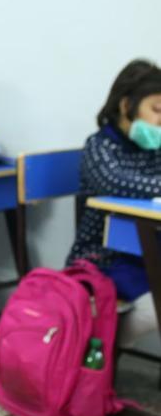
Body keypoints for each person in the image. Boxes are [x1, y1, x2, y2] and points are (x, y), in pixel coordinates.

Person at [67, 59, 161, 349]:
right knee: (156, 308)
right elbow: (119, 183)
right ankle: (92, 344)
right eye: (157, 110)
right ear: (126, 105)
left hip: (149, 253)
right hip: (104, 259)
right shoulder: (100, 147)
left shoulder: (154, 149)